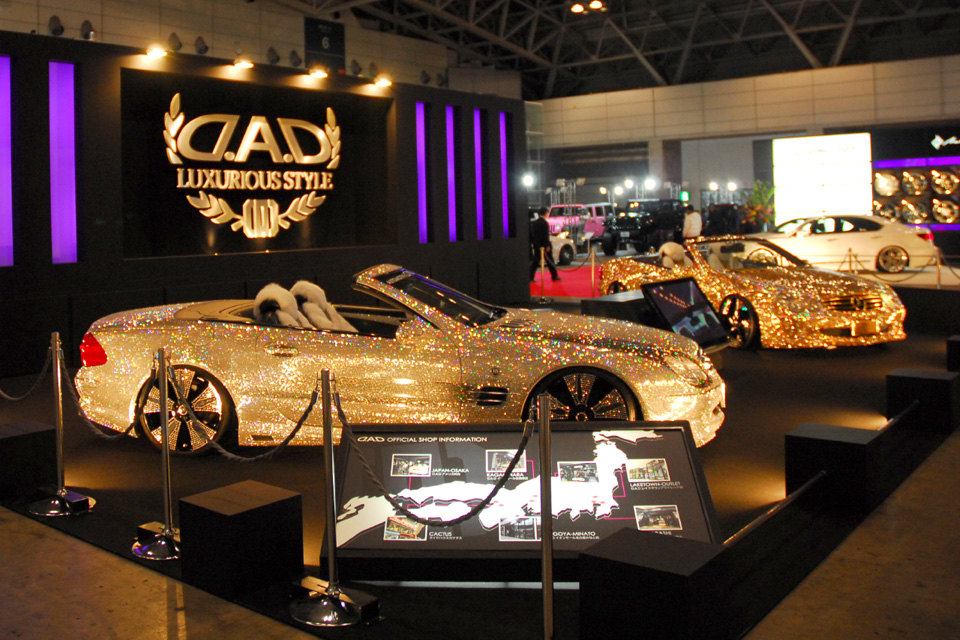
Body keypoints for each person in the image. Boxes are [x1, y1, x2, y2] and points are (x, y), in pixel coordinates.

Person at [529, 208, 560, 282]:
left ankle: (530, 277)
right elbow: (545, 236)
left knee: (535, 262)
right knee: (550, 261)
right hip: (544, 246)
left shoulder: (534, 223)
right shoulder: (544, 223)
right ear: (545, 213)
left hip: (537, 246)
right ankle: (554, 276)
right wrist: (547, 245)